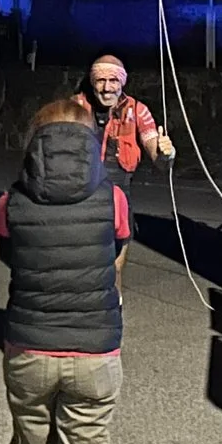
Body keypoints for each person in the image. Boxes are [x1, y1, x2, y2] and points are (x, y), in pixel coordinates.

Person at [0, 99, 133, 444]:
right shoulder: (112, 198)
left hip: (27, 347)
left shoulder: (11, 202)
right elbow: (115, 250)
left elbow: (11, 258)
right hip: (94, 351)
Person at [77, 54, 174, 285]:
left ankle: (113, 312)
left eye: (113, 81)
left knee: (114, 268)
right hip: (81, 198)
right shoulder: (76, 107)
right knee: (81, 266)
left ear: (122, 82)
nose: (107, 88)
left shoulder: (138, 111)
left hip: (119, 200)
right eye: (101, 80)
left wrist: (166, 154)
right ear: (92, 82)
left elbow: (159, 159)